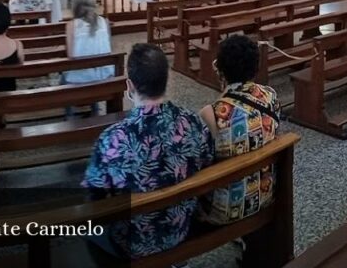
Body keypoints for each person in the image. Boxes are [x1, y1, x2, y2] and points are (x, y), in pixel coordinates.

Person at [83, 44, 214, 259]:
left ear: (129, 86)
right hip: (180, 228)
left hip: (131, 243)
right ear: (166, 80)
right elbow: (207, 162)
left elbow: (95, 196)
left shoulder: (112, 139)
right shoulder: (193, 123)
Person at [199, 35, 280, 226]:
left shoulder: (211, 113)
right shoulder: (270, 96)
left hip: (226, 210)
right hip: (265, 194)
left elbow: (200, 163)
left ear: (220, 70)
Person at [61, 0, 114, 116]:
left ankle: (69, 117)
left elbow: (71, 56)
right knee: (91, 67)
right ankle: (95, 110)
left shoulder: (72, 25)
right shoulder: (104, 22)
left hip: (81, 81)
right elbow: (108, 48)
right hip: (105, 77)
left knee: (62, 79)